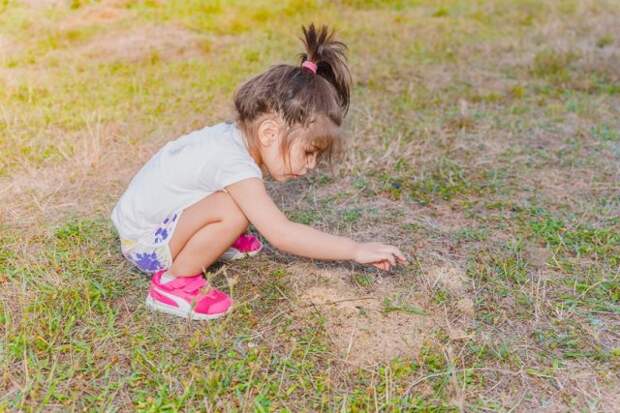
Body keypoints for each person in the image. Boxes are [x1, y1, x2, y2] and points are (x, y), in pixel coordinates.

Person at [111, 23, 406, 320]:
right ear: (268, 133)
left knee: (237, 204)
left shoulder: (234, 140)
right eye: (308, 152)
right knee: (234, 211)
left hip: (148, 222)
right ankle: (174, 281)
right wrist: (355, 250)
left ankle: (214, 238)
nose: (311, 165)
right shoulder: (233, 163)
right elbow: (282, 233)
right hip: (144, 243)